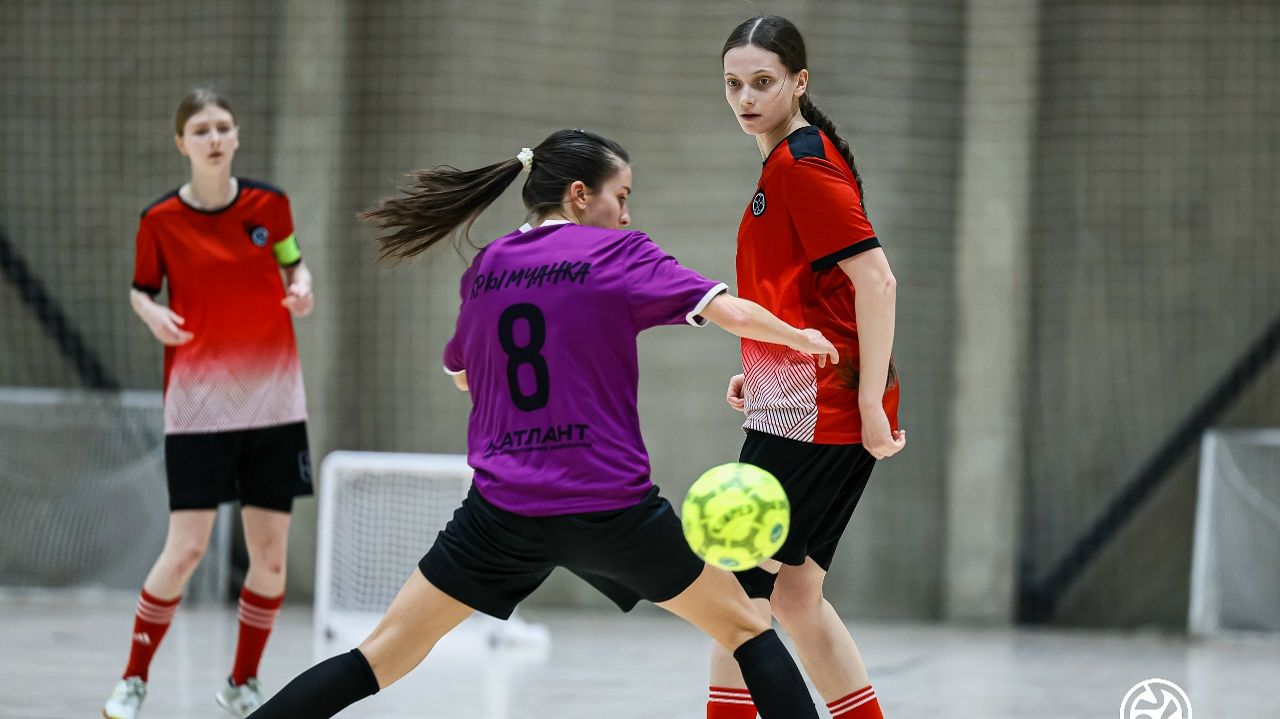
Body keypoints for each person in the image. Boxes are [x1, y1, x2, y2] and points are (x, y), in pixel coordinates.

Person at [246, 129, 831, 718]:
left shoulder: (487, 266)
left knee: (380, 655)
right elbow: (731, 313)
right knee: (747, 628)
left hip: (501, 513)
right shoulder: (618, 254)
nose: (626, 215)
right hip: (609, 508)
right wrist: (798, 337)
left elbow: (461, 375)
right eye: (621, 197)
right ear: (579, 194)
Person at [705, 16, 906, 719]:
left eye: (762, 82)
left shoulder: (803, 165)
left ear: (798, 82)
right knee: (793, 595)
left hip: (819, 410)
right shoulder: (785, 162)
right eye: (733, 83)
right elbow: (803, 293)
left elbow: (876, 281)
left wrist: (872, 401)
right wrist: (760, 367)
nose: (745, 98)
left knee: (734, 593)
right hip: (797, 397)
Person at [103, 88, 315, 719]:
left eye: (223, 126)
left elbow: (294, 263)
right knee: (187, 550)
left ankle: (242, 684)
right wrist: (150, 313)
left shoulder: (270, 206)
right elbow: (140, 290)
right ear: (182, 144)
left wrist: (302, 287)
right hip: (198, 408)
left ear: (237, 135)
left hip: (275, 405)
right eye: (201, 130)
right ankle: (133, 679)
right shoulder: (159, 221)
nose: (215, 138)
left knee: (270, 557)